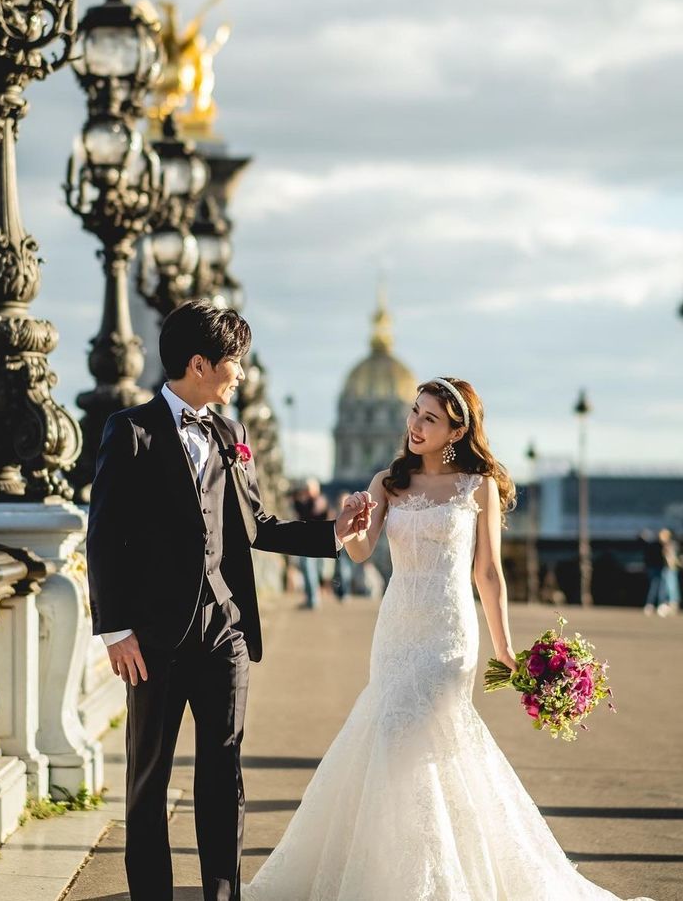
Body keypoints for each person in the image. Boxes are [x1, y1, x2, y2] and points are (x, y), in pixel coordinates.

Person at [244, 376, 654, 901]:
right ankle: (388, 872)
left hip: (448, 632)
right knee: (391, 736)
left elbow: (488, 574)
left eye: (429, 418)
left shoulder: (476, 484)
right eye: (414, 412)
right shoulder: (386, 483)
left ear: (456, 429)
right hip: (396, 629)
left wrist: (505, 650)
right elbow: (365, 551)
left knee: (417, 734)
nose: (414, 425)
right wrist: (349, 524)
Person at [85, 299, 371, 901]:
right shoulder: (130, 432)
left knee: (224, 776)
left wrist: (334, 534)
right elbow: (104, 535)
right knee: (149, 781)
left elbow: (258, 525)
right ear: (199, 364)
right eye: (233, 362)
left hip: (226, 633)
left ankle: (222, 895)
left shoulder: (233, 434)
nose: (240, 373)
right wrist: (116, 630)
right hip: (154, 642)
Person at [292, 478, 330, 608]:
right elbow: (300, 513)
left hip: (315, 541)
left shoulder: (319, 501)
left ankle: (313, 599)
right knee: (308, 569)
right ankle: (311, 598)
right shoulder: (307, 501)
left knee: (310, 569)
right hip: (306, 540)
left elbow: (313, 516)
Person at [657, 527, 680, 616]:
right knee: (667, 588)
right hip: (667, 568)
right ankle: (669, 604)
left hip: (672, 568)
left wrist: (673, 564)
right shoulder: (667, 545)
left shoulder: (672, 544)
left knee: (672, 587)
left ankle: (674, 605)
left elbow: (673, 558)